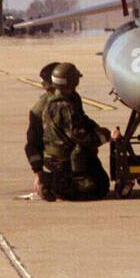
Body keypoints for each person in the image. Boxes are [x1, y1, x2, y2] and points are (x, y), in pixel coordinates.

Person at [39, 63, 111, 201]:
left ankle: (58, 181)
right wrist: (104, 136)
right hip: (63, 160)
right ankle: (51, 183)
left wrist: (97, 128)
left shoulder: (64, 100)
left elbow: (82, 119)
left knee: (100, 181)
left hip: (58, 157)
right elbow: (78, 136)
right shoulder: (65, 107)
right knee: (98, 189)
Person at [25, 63, 59, 197]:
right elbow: (32, 144)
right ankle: (48, 182)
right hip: (58, 160)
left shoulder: (71, 99)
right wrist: (38, 173)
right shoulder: (40, 109)